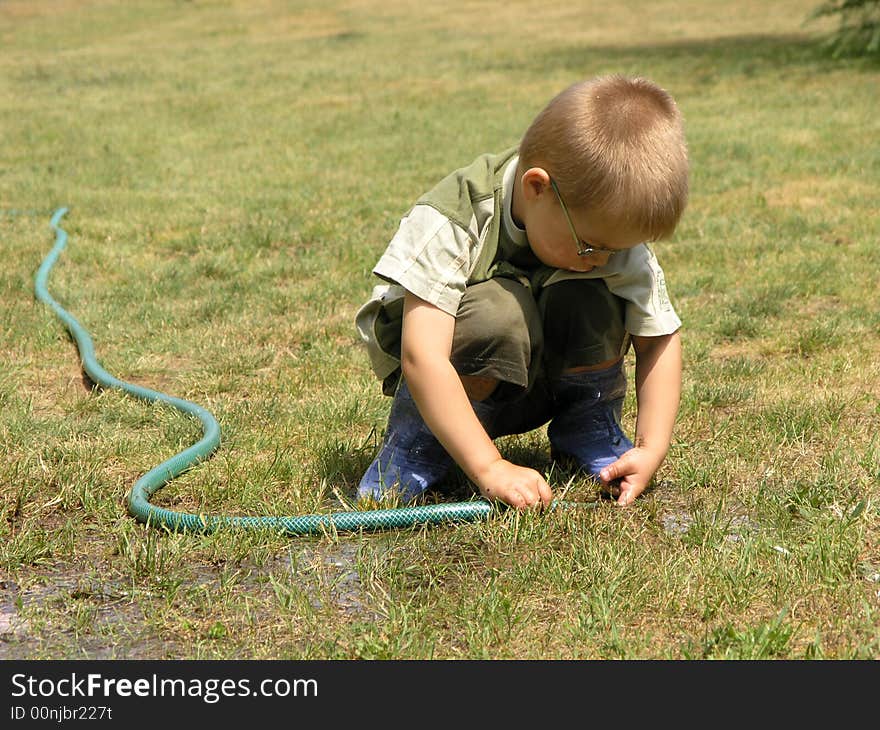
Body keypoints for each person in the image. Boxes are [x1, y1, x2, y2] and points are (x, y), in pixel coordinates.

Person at [354, 74, 688, 509]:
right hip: (447, 390)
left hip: (542, 380)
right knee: (498, 311)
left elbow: (659, 337)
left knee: (593, 294)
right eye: (591, 246)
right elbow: (423, 356)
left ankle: (586, 424)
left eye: (616, 249)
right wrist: (491, 468)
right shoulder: (458, 215)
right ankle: (418, 447)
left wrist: (651, 447)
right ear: (537, 188)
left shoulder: (598, 225)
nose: (603, 258)